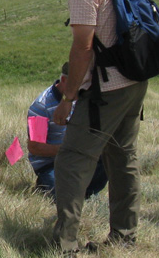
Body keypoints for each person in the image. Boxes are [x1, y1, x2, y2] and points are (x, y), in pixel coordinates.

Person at [46, 0, 148, 258]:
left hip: (104, 90)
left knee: (72, 161)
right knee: (123, 158)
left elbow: (83, 48)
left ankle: (65, 249)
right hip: (134, 82)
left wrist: (68, 97)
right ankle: (124, 235)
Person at [27, 62, 107, 200]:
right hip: (51, 164)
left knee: (106, 156)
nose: (82, 88)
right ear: (64, 80)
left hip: (79, 159)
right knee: (63, 198)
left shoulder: (83, 98)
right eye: (78, 83)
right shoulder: (41, 106)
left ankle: (87, 192)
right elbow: (35, 147)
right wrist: (69, 149)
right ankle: (48, 185)